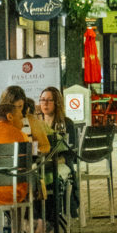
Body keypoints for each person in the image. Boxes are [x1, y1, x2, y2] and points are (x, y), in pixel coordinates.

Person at [37, 87, 79, 220]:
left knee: (53, 177)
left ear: (57, 103)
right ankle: (38, 220)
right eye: (43, 100)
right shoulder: (37, 124)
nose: (45, 103)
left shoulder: (66, 123)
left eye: (49, 100)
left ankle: (50, 221)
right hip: (41, 163)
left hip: (61, 162)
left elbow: (71, 153)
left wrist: (55, 161)